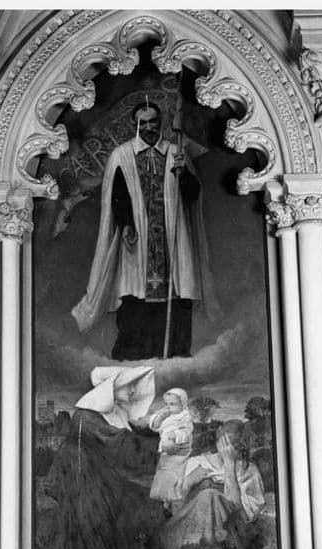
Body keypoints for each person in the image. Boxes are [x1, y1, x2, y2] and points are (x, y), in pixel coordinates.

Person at [71, 100, 216, 360]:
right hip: (137, 241)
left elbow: (193, 196)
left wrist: (183, 174)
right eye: (143, 123)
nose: (149, 127)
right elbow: (117, 195)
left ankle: (175, 359)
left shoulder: (175, 152)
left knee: (175, 297)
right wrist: (127, 223)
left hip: (172, 241)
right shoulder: (122, 155)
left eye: (153, 122)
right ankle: (133, 358)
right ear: (135, 125)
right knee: (135, 299)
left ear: (160, 123)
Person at [42, 365, 188, 549]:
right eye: (128, 386)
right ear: (111, 388)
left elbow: (130, 434)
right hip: (87, 485)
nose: (133, 391)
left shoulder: (110, 412)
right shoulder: (87, 416)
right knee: (132, 508)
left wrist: (160, 433)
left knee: (145, 502)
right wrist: (160, 447)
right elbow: (119, 444)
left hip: (103, 479)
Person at [159, 419, 268, 549]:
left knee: (210, 496)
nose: (228, 448)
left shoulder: (248, 470)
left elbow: (244, 517)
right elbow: (176, 511)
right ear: (218, 439)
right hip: (189, 531)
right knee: (208, 496)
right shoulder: (195, 462)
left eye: (234, 444)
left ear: (242, 445)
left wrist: (230, 467)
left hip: (229, 533)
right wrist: (188, 483)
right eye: (225, 442)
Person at [149, 387, 194, 518]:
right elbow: (155, 426)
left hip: (179, 451)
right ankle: (165, 501)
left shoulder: (185, 417)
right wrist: (160, 417)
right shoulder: (166, 415)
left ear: (183, 404)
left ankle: (173, 504)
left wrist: (176, 435)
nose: (168, 407)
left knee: (176, 477)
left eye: (173, 404)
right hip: (166, 452)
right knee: (164, 473)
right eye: (166, 404)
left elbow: (187, 432)